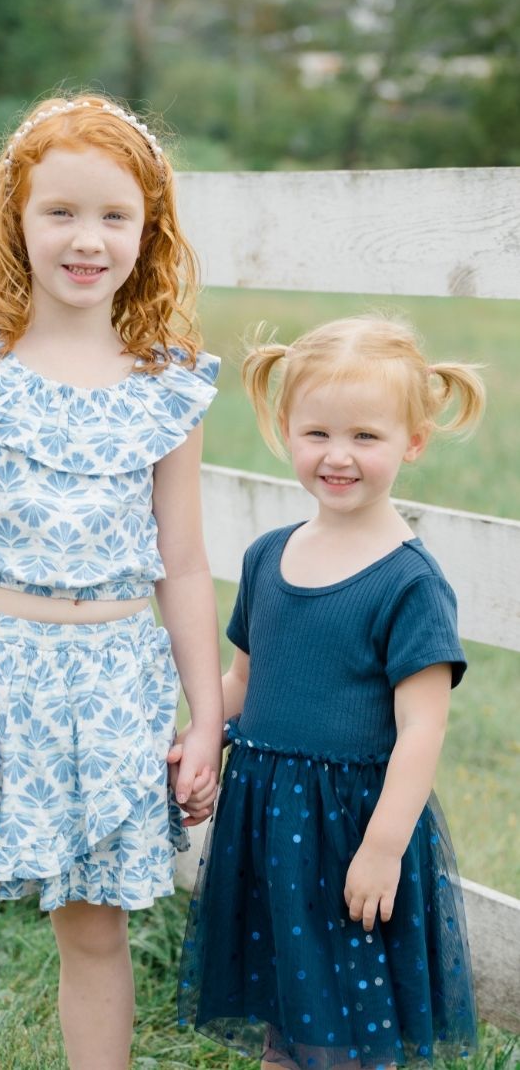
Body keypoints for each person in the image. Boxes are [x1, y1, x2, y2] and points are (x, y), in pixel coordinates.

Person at [0, 93, 225, 1068]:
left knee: (95, 932)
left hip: (114, 686)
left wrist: (204, 719)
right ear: (16, 219)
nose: (86, 238)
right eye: (59, 211)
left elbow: (182, 563)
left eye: (114, 215)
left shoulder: (167, 383)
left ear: (149, 231)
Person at [176, 317, 483, 1069]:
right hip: (268, 823)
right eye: (316, 432)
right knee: (287, 998)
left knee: (347, 1016)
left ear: (412, 441)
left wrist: (381, 848)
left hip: (351, 830)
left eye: (366, 438)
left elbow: (422, 730)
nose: (337, 456)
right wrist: (198, 737)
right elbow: (246, 679)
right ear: (285, 430)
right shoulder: (267, 557)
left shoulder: (409, 583)